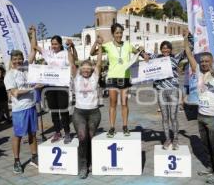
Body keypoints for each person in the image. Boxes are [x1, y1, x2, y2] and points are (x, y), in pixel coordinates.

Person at [184, 31, 214, 184]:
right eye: (202, 61)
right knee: (206, 145)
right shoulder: (198, 71)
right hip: (201, 115)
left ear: (211, 62)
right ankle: (211, 169)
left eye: (207, 61)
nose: (204, 63)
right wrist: (185, 39)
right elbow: (189, 54)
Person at [90, 23, 149, 138]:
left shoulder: (127, 45)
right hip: (112, 78)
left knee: (124, 103)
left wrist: (143, 53)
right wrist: (97, 42)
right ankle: (112, 128)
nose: (119, 35)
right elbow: (92, 53)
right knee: (112, 104)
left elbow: (138, 52)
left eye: (121, 33)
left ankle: (125, 127)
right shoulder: (107, 45)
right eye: (117, 33)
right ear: (113, 34)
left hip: (125, 78)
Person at [29, 26, 78, 144]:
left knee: (64, 111)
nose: (54, 46)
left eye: (56, 44)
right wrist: (34, 33)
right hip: (49, 86)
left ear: (60, 44)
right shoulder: (48, 53)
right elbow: (34, 47)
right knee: (54, 111)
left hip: (62, 86)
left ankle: (67, 132)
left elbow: (73, 64)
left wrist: (77, 82)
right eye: (52, 44)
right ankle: (57, 132)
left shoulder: (66, 53)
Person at [4, 50, 42, 174]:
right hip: (19, 110)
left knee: (32, 133)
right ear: (11, 61)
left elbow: (32, 52)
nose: (17, 61)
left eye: (19, 59)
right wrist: (34, 87)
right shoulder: (10, 75)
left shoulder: (25, 68)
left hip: (31, 107)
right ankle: (16, 161)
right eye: (14, 59)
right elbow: (14, 93)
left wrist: (33, 34)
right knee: (18, 136)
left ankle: (34, 157)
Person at [69, 44, 102, 179]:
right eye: (84, 69)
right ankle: (83, 166)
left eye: (89, 69)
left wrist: (100, 47)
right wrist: (69, 48)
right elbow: (72, 63)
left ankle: (90, 161)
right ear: (81, 70)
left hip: (94, 112)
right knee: (82, 137)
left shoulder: (95, 77)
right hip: (79, 113)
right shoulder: (77, 77)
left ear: (91, 70)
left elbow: (99, 62)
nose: (86, 71)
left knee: (90, 137)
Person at [147, 39, 187, 150]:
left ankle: (175, 139)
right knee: (164, 117)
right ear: (161, 49)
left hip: (173, 90)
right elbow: (144, 54)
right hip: (161, 91)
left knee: (173, 117)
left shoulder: (175, 58)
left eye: (167, 48)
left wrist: (187, 38)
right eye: (163, 48)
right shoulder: (156, 58)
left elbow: (188, 50)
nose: (165, 50)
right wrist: (140, 50)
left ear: (170, 49)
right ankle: (167, 139)